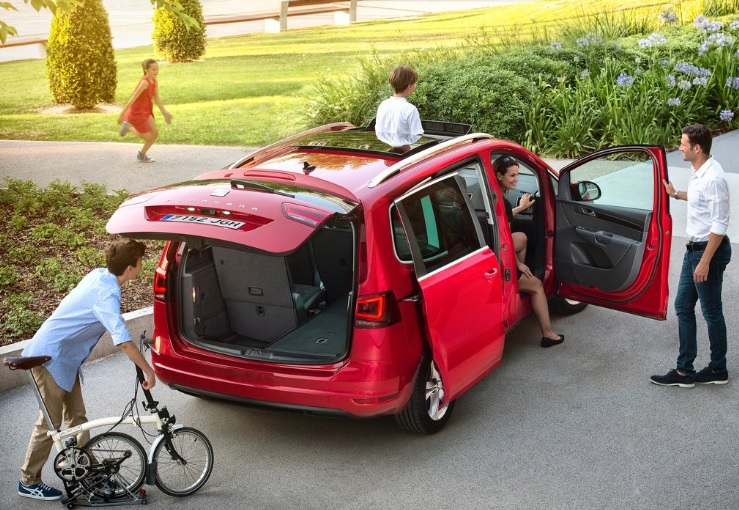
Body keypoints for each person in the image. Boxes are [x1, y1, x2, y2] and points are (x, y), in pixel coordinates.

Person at [17, 239, 157, 501]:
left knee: (77, 419)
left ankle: (86, 470)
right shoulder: (107, 293)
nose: (141, 267)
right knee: (49, 424)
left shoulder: (99, 275)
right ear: (130, 267)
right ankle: (28, 480)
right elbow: (123, 340)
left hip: (66, 360)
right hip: (50, 359)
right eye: (140, 264)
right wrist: (148, 370)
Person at [651, 124, 731, 388]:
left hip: (708, 251)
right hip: (694, 250)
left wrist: (705, 262)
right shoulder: (700, 172)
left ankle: (718, 369)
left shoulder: (713, 177)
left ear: (697, 148)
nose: (680, 146)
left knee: (711, 312)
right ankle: (684, 371)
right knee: (683, 306)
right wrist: (675, 194)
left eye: (683, 143)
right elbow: (699, 200)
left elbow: (719, 225)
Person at [494, 155, 564, 348]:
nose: (516, 179)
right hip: (499, 256)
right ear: (499, 176)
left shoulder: (492, 194)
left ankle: (517, 282)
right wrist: (518, 264)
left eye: (518, 174)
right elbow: (504, 242)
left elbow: (503, 219)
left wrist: (521, 207)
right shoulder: (502, 201)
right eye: (512, 175)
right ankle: (548, 334)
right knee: (537, 286)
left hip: (490, 250)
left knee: (522, 237)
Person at [117, 59, 172, 163]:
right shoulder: (144, 82)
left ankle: (141, 155)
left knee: (155, 133)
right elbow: (133, 98)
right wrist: (122, 113)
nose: (156, 71)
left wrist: (165, 113)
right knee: (148, 137)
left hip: (146, 110)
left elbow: (157, 98)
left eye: (157, 69)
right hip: (137, 112)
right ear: (146, 70)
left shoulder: (154, 81)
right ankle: (128, 128)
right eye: (153, 69)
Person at [375, 65, 423, 152]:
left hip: (387, 151)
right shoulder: (410, 109)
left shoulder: (383, 105)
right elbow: (417, 134)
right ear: (409, 86)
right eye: (414, 83)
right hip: (406, 152)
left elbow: (379, 131)